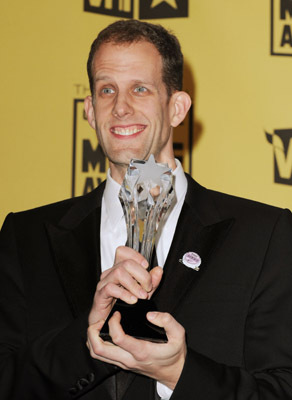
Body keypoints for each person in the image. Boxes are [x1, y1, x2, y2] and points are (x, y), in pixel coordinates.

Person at [1, 19, 292, 400]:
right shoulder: (26, 237)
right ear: (89, 110)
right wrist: (87, 340)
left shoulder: (264, 235)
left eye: (140, 89)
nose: (121, 107)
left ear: (177, 107)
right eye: (107, 90)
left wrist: (178, 373)